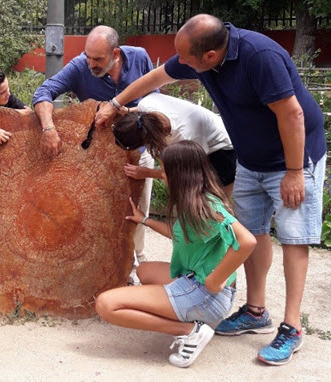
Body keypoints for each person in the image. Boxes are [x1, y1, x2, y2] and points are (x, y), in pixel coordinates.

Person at [95, 14, 326, 366]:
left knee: (294, 238)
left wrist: (294, 172)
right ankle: (255, 310)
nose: (181, 65)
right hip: (250, 156)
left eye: (187, 60)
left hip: (292, 155)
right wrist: (115, 104)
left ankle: (292, 327)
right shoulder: (198, 56)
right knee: (254, 230)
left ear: (211, 56)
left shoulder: (259, 56)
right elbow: (158, 76)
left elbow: (292, 115)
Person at [95, 140, 256, 368]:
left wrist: (215, 280)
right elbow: (181, 233)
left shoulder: (206, 205)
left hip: (206, 296)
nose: (162, 175)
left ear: (179, 173)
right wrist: (145, 220)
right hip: (199, 285)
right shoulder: (194, 198)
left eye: (164, 170)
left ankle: (191, 331)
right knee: (144, 270)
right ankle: (186, 314)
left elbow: (247, 241)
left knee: (106, 305)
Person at [32, 25, 157, 281]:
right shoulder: (80, 66)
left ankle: (133, 261)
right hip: (97, 156)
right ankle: (99, 268)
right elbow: (43, 92)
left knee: (137, 207)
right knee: (99, 210)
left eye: (98, 59)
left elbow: (155, 103)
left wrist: (120, 109)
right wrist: (48, 128)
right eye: (88, 56)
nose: (91, 63)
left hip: (138, 150)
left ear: (116, 53)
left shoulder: (140, 57)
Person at [111, 92, 236, 195]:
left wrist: (147, 172)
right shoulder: (146, 104)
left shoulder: (187, 137)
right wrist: (128, 110)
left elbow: (185, 174)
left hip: (222, 150)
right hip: (201, 134)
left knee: (212, 204)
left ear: (147, 141)